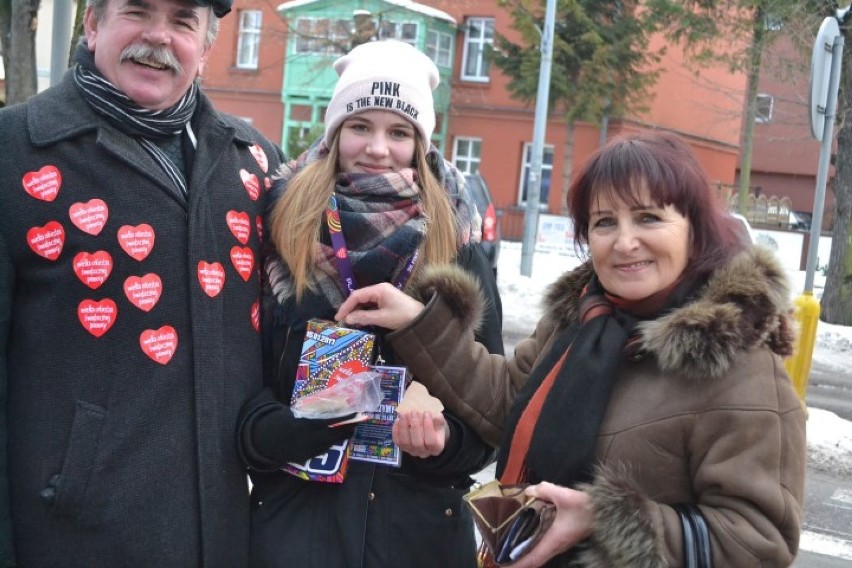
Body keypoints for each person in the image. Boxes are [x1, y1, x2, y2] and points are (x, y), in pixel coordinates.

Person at [336, 131, 806, 567]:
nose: (624, 242)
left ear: (695, 230)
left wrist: (603, 518)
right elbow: (506, 400)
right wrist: (420, 321)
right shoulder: (582, 321)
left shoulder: (739, 364)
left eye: (648, 217)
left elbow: (759, 542)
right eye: (604, 222)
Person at [0, 0, 283, 564]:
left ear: (205, 47)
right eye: (137, 11)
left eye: (183, 21)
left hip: (220, 538)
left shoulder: (251, 163)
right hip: (70, 540)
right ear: (93, 23)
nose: (158, 36)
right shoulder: (14, 153)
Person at [235, 39, 503, 568]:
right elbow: (237, 407)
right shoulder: (280, 232)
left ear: (421, 144)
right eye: (360, 126)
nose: (377, 148)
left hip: (416, 538)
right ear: (335, 134)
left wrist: (443, 441)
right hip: (296, 532)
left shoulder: (458, 250)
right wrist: (306, 425)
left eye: (398, 132)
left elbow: (490, 421)